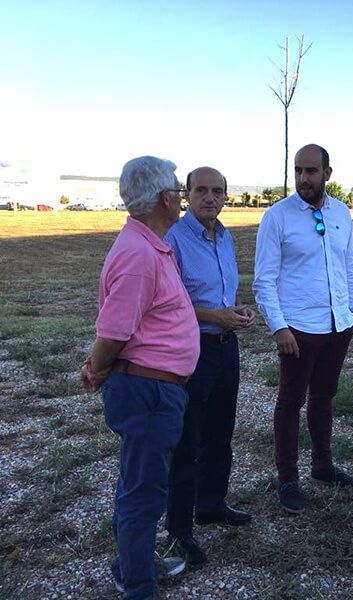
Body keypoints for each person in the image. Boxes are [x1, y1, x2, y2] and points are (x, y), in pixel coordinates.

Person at [80, 156, 200, 599]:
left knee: (141, 482)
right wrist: (96, 367)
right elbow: (112, 332)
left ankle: (131, 564)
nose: (182, 195)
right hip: (149, 392)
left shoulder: (150, 245)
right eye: (177, 188)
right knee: (143, 492)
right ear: (165, 198)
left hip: (155, 388)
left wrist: (100, 365)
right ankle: (138, 585)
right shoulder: (137, 255)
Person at [253, 144, 353, 514]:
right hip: (298, 329)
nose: (303, 178)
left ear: (327, 174)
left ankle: (322, 466)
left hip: (338, 325)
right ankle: (288, 478)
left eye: (311, 171)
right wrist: (278, 327)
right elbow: (264, 280)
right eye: (298, 171)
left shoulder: (342, 213)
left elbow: (349, 266)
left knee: (324, 397)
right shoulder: (278, 217)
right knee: (291, 401)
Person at [163, 167, 255, 567]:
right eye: (201, 190)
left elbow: (220, 294)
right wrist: (215, 316)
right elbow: (171, 303)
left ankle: (212, 504)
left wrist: (234, 312)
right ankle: (179, 531)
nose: (210, 198)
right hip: (192, 350)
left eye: (218, 192)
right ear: (186, 194)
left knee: (221, 432)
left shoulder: (226, 235)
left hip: (225, 347)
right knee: (188, 442)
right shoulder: (174, 240)